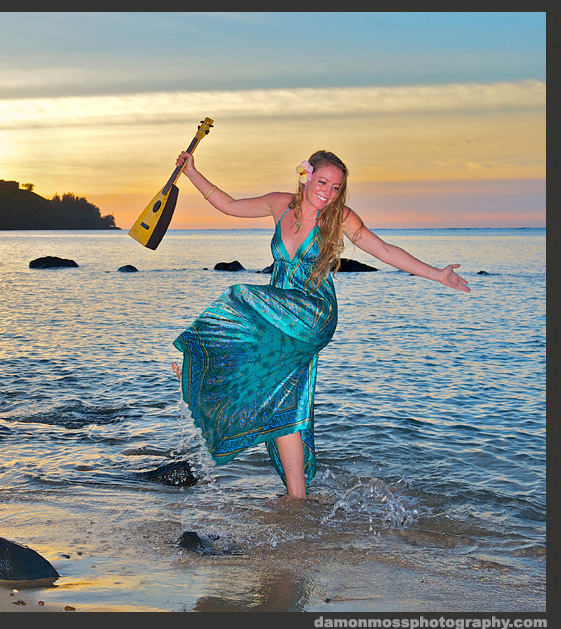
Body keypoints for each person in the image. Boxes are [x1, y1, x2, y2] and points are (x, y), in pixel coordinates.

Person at [172, 149, 469, 499]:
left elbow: (384, 250)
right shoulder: (279, 204)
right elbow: (228, 204)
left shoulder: (339, 217)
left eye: (336, 187)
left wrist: (437, 274)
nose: (327, 192)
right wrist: (191, 172)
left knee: (240, 296)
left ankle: (209, 370)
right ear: (306, 175)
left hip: (312, 311)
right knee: (284, 400)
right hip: (278, 320)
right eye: (323, 182)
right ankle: (297, 498)